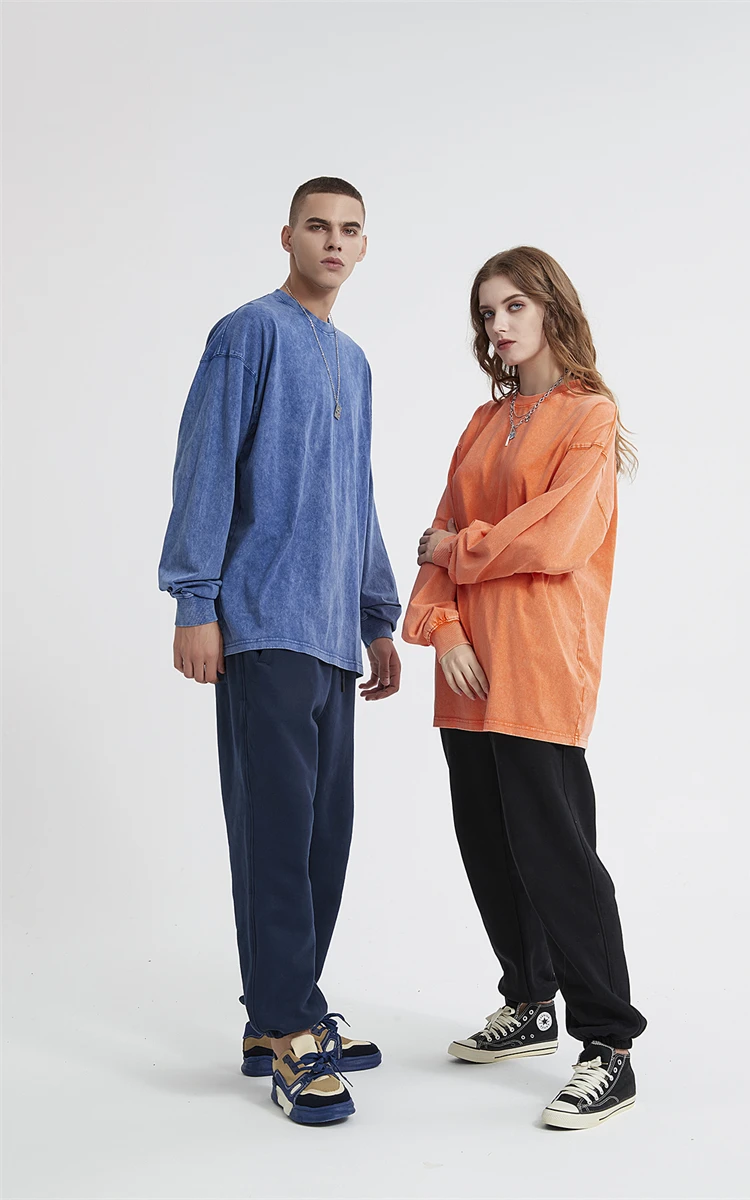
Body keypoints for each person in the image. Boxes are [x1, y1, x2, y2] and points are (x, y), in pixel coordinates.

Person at [158, 177, 401, 1126]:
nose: (334, 242)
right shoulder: (246, 333)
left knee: (322, 834)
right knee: (274, 832)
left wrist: (375, 616)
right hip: (261, 621)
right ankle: (291, 1026)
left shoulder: (357, 362)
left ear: (364, 247)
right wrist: (196, 599)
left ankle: (280, 1016)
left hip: (331, 632)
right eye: (318, 226)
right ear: (288, 235)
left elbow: (358, 494)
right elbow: (205, 464)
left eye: (350, 230)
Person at [402, 246, 647, 1130]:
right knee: (487, 842)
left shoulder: (589, 416)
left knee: (556, 853)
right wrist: (444, 629)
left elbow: (553, 539)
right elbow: (437, 532)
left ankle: (609, 1045)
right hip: (468, 667)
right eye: (487, 312)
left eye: (513, 306)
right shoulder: (483, 421)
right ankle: (529, 1001)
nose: (498, 324)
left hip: (540, 663)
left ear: (551, 309)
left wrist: (458, 550)